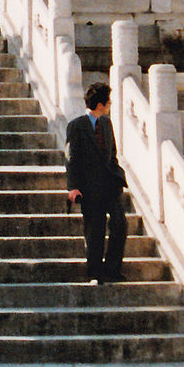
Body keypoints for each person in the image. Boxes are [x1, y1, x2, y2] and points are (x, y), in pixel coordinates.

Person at [65, 84, 128, 283]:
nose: (109, 105)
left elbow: (113, 153)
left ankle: (113, 269)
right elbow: (71, 158)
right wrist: (73, 187)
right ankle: (95, 271)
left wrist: (118, 177)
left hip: (110, 184)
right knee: (95, 228)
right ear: (100, 104)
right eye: (108, 102)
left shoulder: (107, 124)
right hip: (89, 187)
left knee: (120, 223)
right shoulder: (77, 126)